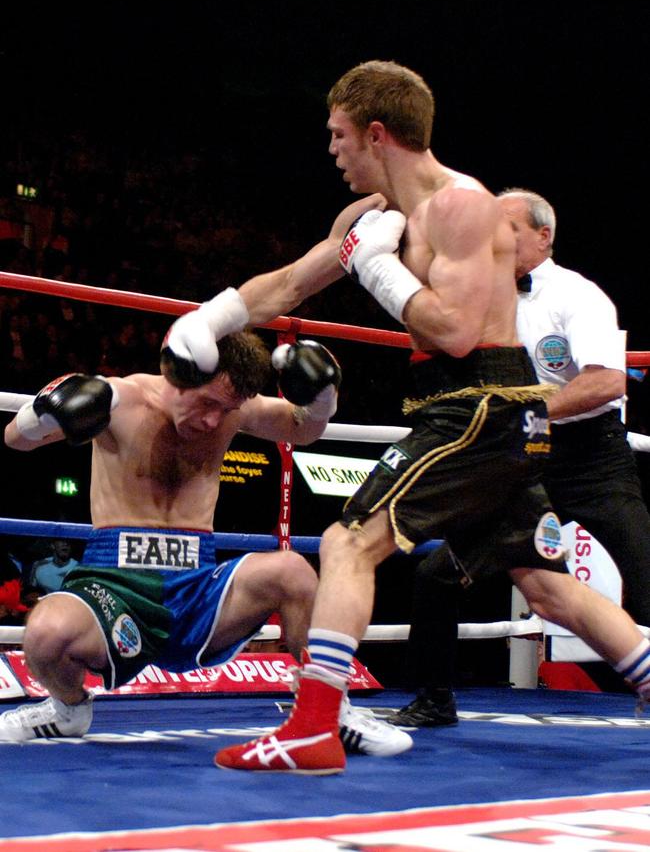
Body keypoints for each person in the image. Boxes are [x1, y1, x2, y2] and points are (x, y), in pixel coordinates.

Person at [161, 60, 650, 775]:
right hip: (462, 408)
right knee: (545, 585)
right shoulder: (369, 219)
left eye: (339, 134)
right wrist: (210, 318)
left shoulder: (463, 207)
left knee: (348, 541)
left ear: (377, 133)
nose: (332, 149)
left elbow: (453, 331)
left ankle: (313, 728)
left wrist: (380, 271)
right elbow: (294, 281)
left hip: (482, 404)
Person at [0, 333, 411, 757]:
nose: (215, 421)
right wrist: (43, 411)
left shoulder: (233, 407)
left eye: (227, 409)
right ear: (175, 375)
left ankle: (329, 711)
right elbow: (17, 437)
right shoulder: (118, 398)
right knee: (46, 633)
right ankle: (67, 710)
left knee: (291, 571)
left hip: (199, 588)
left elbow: (303, 427)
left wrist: (324, 394)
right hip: (114, 585)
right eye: (207, 403)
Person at [389, 188, 650, 727]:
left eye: (505, 228)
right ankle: (433, 698)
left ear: (542, 235)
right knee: (439, 572)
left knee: (643, 567)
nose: (492, 240)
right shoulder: (478, 297)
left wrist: (530, 414)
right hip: (517, 457)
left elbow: (607, 380)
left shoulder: (578, 295)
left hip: (590, 456)